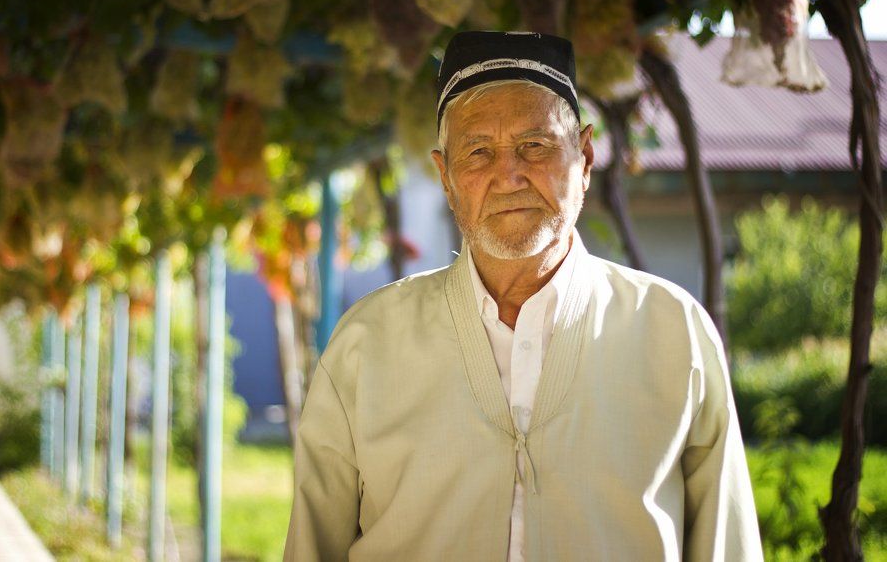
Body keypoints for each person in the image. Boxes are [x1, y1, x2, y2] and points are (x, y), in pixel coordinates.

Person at [283, 31, 763, 561]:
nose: (508, 176)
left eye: (534, 146)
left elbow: (727, 547)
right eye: (478, 152)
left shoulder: (675, 334)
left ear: (583, 159)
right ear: (446, 177)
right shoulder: (366, 344)